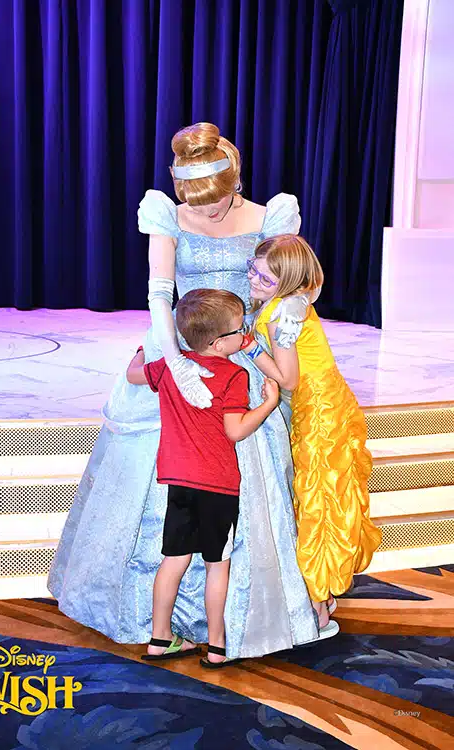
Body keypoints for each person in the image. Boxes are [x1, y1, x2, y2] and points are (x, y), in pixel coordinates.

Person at [48, 122, 338, 660]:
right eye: (195, 204)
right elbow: (160, 294)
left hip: (245, 354)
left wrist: (284, 322)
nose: (204, 214)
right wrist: (174, 362)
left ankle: (252, 614)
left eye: (216, 202)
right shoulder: (165, 212)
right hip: (180, 343)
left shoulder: (270, 216)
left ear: (235, 182)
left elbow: (293, 280)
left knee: (257, 476)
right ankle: (154, 619)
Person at [126, 288, 280, 667]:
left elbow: (133, 376)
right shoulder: (234, 374)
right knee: (217, 564)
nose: (242, 332)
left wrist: (139, 355)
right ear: (218, 341)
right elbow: (235, 430)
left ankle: (160, 639)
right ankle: (216, 645)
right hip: (218, 486)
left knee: (173, 560)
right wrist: (268, 404)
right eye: (237, 329)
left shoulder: (171, 366)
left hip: (179, 482)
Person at [242, 234, 382, 628]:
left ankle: (317, 606)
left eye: (266, 279)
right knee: (317, 496)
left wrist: (251, 347)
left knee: (318, 500)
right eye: (254, 269)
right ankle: (320, 597)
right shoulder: (297, 295)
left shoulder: (282, 314)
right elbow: (313, 284)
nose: (254, 280)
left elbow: (287, 378)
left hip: (318, 411)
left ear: (286, 282)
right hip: (326, 401)